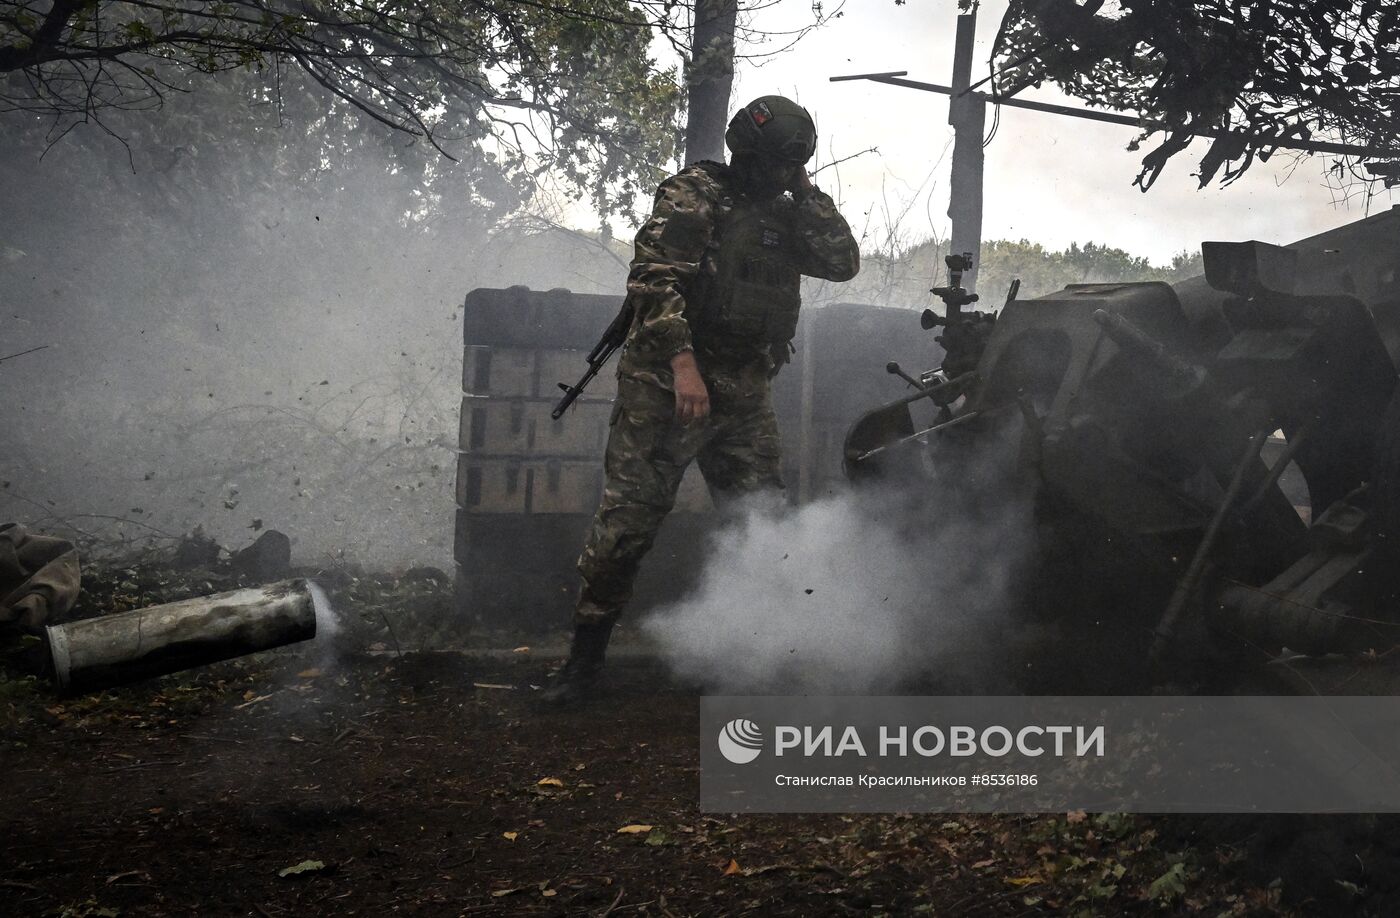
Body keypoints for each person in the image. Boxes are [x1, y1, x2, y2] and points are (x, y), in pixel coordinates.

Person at [543, 95, 860, 703]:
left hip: (744, 389)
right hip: (668, 387)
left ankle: (761, 661)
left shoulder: (788, 208)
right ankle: (581, 665)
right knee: (628, 525)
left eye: (788, 166)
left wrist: (804, 189)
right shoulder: (694, 195)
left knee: (762, 523)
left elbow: (842, 262)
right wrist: (683, 367)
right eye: (774, 164)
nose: (776, 175)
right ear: (745, 151)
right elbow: (655, 279)